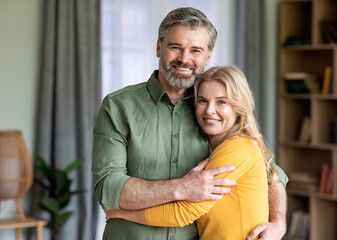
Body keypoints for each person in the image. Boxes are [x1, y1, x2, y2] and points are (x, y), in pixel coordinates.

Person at [92, 7, 288, 240]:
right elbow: (108, 187)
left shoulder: (214, 114)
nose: (184, 59)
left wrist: (279, 220)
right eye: (175, 47)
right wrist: (181, 187)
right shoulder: (118, 106)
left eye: (195, 50)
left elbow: (270, 173)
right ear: (158, 47)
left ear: (208, 55)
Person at [104, 65, 278, 240]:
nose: (209, 110)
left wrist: (120, 213)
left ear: (238, 108)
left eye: (221, 101)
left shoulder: (238, 148)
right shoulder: (216, 146)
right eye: (202, 100)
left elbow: (183, 212)